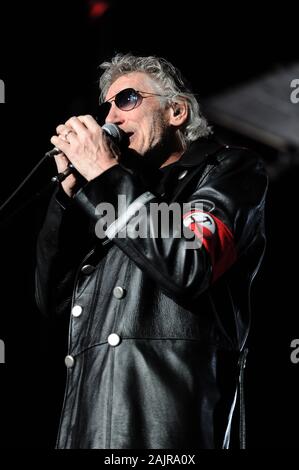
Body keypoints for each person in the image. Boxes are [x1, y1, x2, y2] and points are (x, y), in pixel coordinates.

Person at [35, 53, 268, 449]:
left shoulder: (228, 170)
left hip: (169, 436)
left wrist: (106, 176)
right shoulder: (110, 197)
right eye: (105, 106)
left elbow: (189, 262)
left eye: (126, 100)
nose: (110, 118)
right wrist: (67, 197)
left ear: (176, 111)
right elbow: (53, 304)